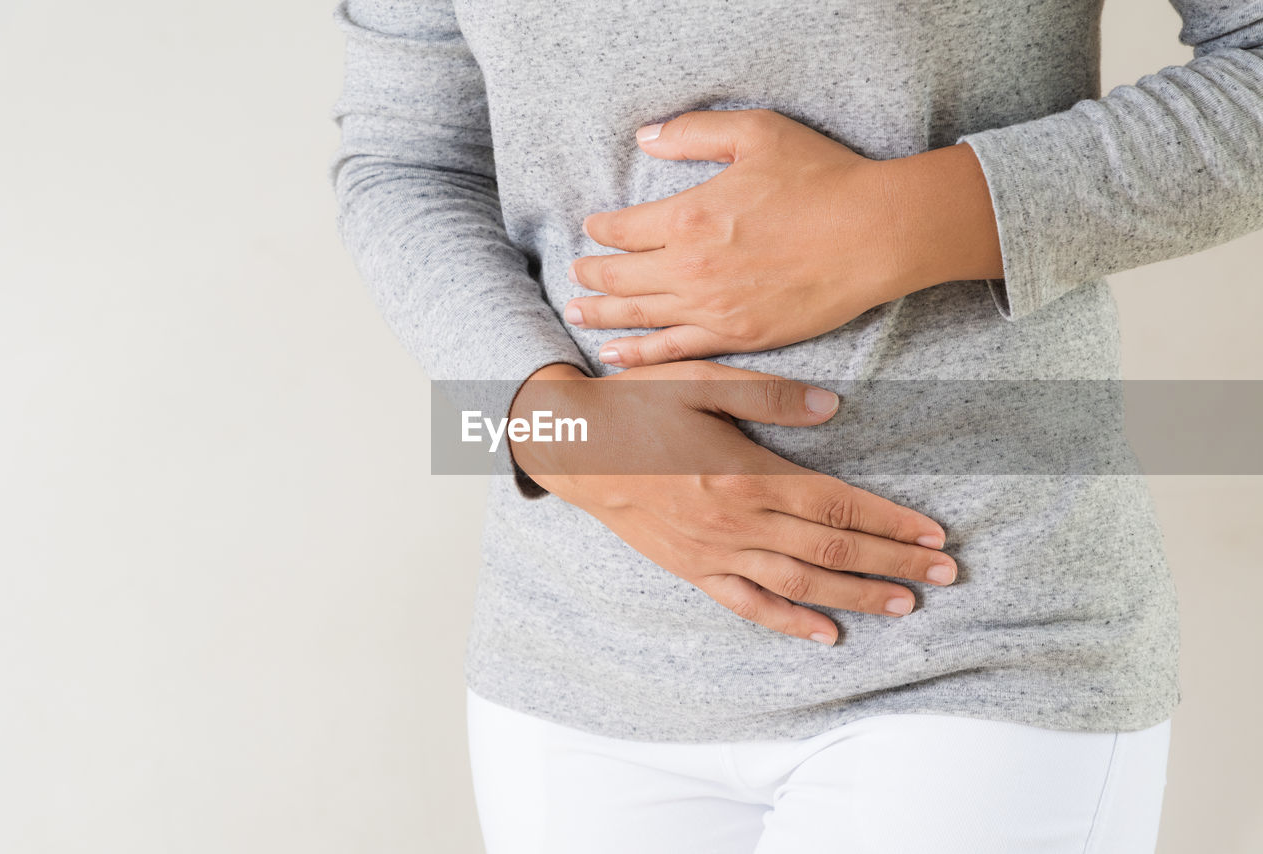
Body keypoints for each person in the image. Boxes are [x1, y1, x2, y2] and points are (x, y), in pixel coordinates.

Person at [328, 0, 1263, 851]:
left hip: (980, 630)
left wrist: (897, 222)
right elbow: (407, 158)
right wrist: (557, 428)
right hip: (583, 657)